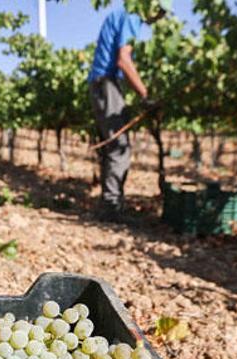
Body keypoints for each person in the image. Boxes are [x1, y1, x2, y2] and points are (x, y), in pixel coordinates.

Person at [88, 1, 168, 222]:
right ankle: (111, 209)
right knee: (119, 148)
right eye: (159, 13)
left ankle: (110, 205)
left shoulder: (123, 13)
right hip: (107, 83)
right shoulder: (132, 16)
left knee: (113, 147)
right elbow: (123, 60)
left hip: (105, 83)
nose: (157, 19)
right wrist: (145, 95)